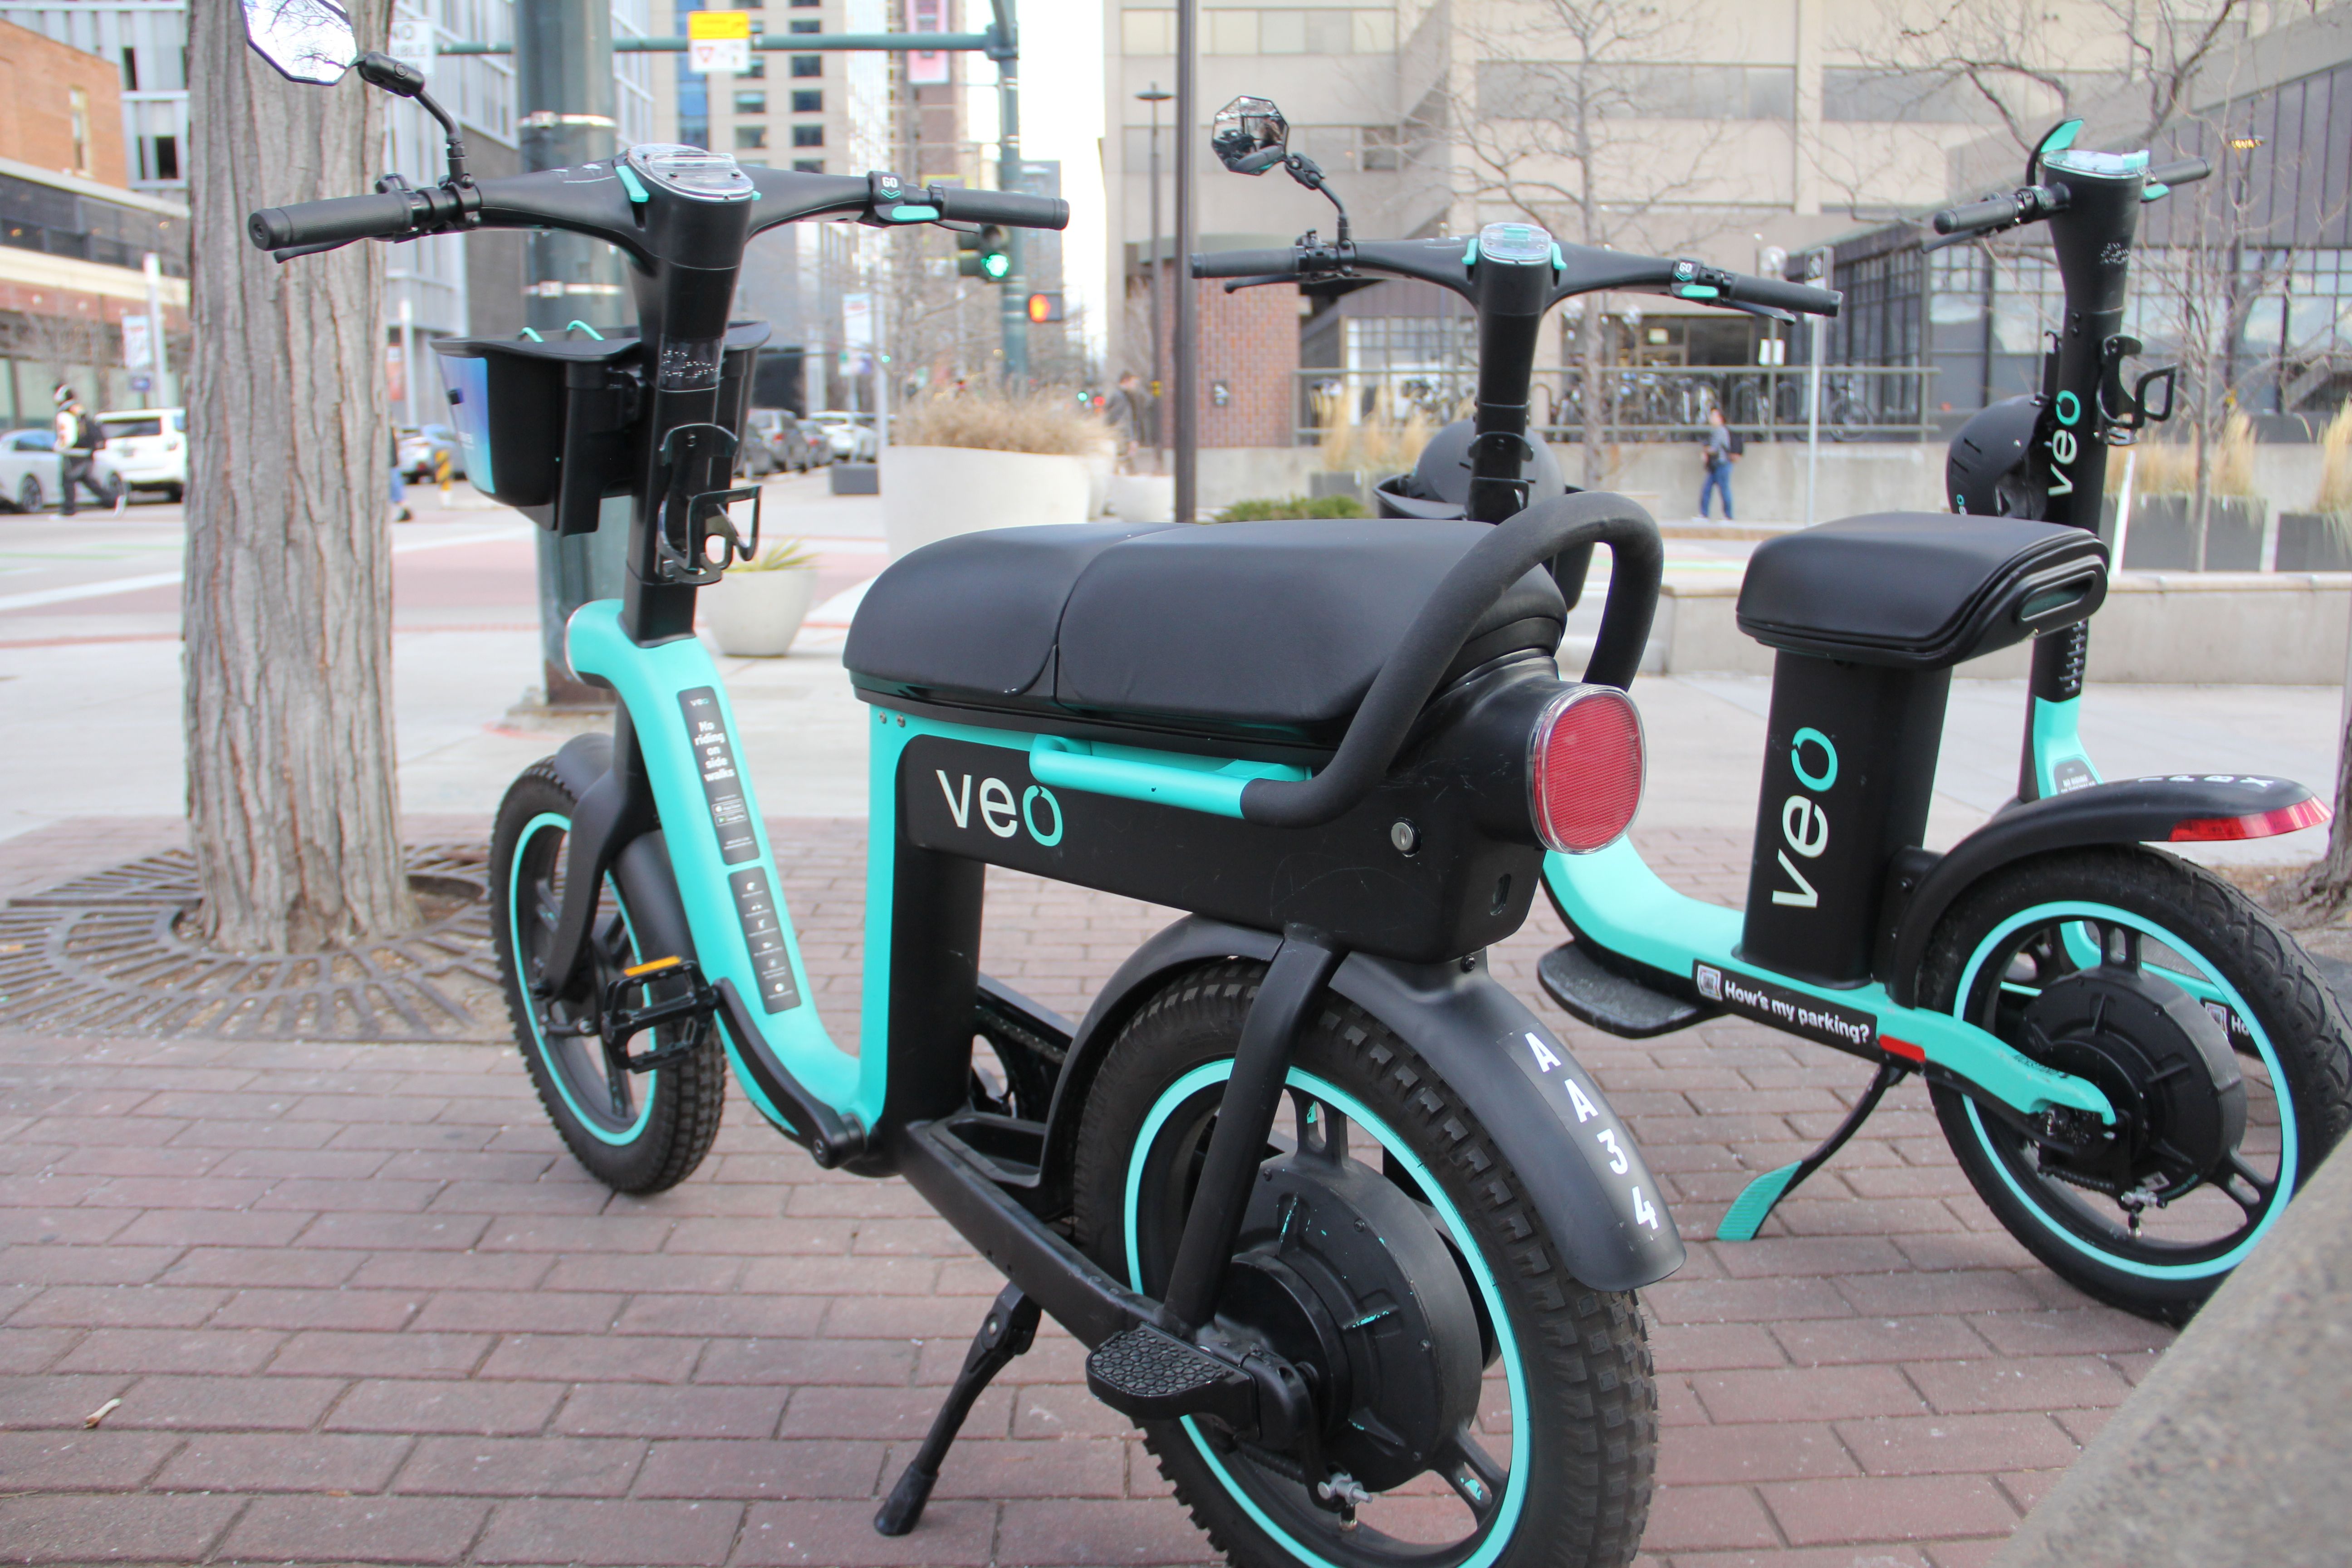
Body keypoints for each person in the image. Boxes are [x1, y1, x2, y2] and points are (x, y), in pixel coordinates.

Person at [51, 387, 115, 516]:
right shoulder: (79, 410)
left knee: (68, 481)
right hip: (86, 452)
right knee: (87, 480)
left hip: (73, 453)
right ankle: (112, 500)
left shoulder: (65, 413)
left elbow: (68, 436)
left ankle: (68, 509)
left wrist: (60, 447)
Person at [1102, 370, 1155, 473]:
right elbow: (1123, 421)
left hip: (1122, 438)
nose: (1135, 386)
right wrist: (1131, 439)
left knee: (1123, 466)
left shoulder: (1123, 396)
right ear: (1126, 381)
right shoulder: (1121, 398)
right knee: (1126, 465)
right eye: (1134, 383)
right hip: (1123, 439)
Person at [1698, 406, 1736, 521]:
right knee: (1707, 489)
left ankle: (1728, 516)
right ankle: (1704, 514)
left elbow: (1714, 449)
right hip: (1715, 466)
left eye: (1714, 416)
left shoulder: (1720, 431)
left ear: (1720, 418)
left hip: (1722, 464)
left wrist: (1705, 451)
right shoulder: (1714, 431)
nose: (1712, 418)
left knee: (1724, 490)